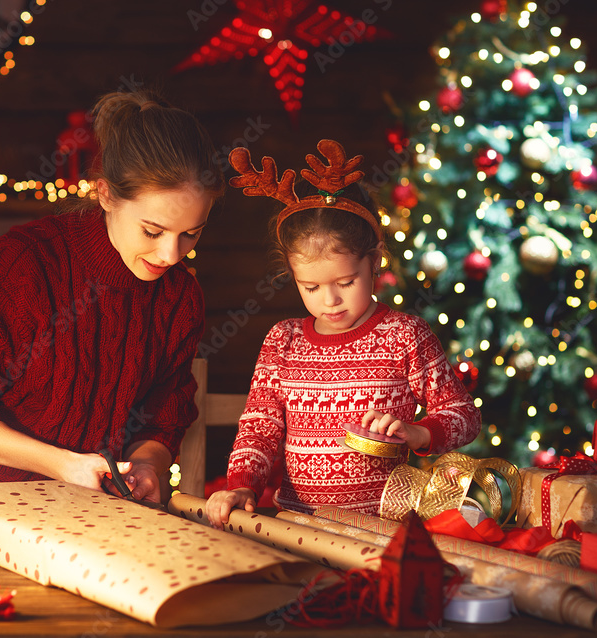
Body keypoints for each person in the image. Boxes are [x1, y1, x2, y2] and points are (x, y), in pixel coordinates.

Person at [0, 88, 225, 522]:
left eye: (191, 233)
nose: (172, 255)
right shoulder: (22, 266)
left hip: (68, 517)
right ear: (105, 195)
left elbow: (164, 415)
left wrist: (149, 465)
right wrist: (61, 465)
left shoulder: (179, 298)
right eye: (153, 232)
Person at [206, 140, 480, 527]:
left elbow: (463, 414)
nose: (330, 301)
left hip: (386, 529)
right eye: (311, 288)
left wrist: (418, 433)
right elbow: (260, 426)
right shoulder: (282, 341)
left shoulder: (404, 335)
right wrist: (243, 485)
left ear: (375, 260)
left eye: (347, 281)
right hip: (299, 526)